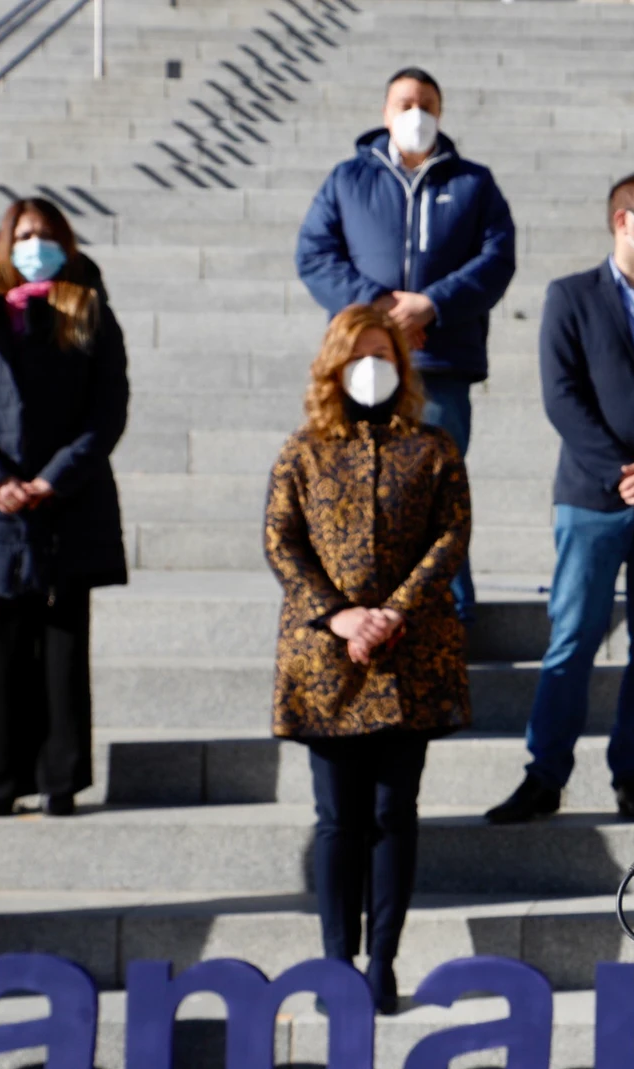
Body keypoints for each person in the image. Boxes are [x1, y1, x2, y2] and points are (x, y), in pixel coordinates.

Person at [484, 174, 634, 827]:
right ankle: (545, 774)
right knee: (574, 635)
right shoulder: (571, 297)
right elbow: (563, 398)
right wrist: (628, 475)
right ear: (624, 221)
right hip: (593, 497)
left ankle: (633, 776)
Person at [264, 304, 473, 1015]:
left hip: (405, 655)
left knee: (393, 811)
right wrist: (341, 614)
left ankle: (381, 960)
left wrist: (393, 612)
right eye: (359, 355)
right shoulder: (303, 450)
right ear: (334, 365)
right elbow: (281, 540)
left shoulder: (433, 446)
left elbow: (451, 535)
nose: (373, 367)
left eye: (384, 353)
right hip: (328, 659)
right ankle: (335, 964)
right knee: (337, 818)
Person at [295, 65, 516, 625]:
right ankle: (362, 606)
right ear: (385, 111)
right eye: (404, 102)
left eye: (427, 102)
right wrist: (382, 308)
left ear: (440, 112)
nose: (415, 112)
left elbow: (496, 259)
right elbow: (316, 255)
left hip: (440, 361)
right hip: (360, 361)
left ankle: (452, 610)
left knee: (438, 487)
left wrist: (431, 305)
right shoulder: (347, 180)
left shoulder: (473, 183)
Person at [0, 197, 128, 819]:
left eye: (46, 235)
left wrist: (53, 479)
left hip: (67, 504)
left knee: (64, 643)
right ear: (4, 243)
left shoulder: (90, 310)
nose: (34, 245)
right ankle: (1, 780)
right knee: (5, 648)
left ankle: (61, 779)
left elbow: (108, 408)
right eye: (24, 235)